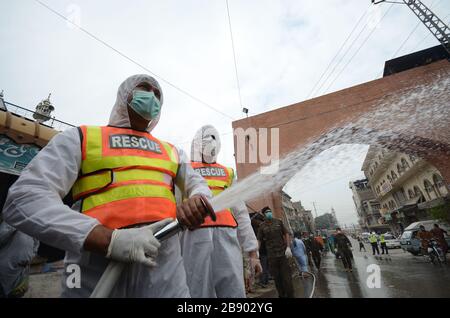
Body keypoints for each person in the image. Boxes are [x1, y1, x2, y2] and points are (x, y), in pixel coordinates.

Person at [3, 74, 215, 297]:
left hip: (164, 269)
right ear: (125, 94)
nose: (152, 97)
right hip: (90, 269)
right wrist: (107, 239)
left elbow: (199, 186)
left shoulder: (172, 151)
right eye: (145, 89)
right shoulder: (81, 138)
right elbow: (23, 198)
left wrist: (197, 199)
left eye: (158, 95)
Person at [180, 125, 261, 298]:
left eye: (214, 137)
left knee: (233, 292)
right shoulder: (184, 169)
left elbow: (241, 214)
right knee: (197, 292)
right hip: (195, 237)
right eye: (206, 138)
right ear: (196, 143)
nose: (210, 142)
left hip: (226, 237)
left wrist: (253, 253)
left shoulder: (228, 173)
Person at [257, 208, 294, 298]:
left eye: (270, 211)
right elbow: (259, 240)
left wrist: (288, 247)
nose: (269, 213)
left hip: (283, 254)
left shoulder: (278, 222)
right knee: (277, 280)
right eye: (266, 212)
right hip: (271, 256)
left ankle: (291, 295)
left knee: (287, 279)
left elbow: (286, 233)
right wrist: (256, 253)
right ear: (264, 215)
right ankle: (281, 295)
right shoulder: (262, 226)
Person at [0, 221, 39, 297]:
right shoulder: (10, 222)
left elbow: (36, 244)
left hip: (20, 273)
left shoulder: (30, 225)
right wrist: (16, 224)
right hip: (5, 272)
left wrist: (30, 256)